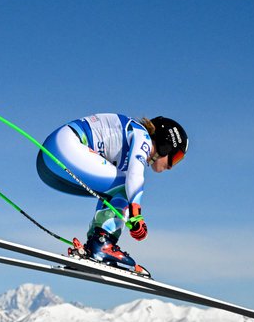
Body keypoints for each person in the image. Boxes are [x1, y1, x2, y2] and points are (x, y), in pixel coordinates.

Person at [37, 114, 188, 272]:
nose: (171, 166)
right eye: (175, 158)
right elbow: (135, 175)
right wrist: (136, 215)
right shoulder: (142, 136)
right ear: (166, 146)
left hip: (49, 163)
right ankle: (103, 246)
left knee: (115, 191)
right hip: (63, 148)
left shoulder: (127, 148)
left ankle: (96, 245)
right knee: (124, 185)